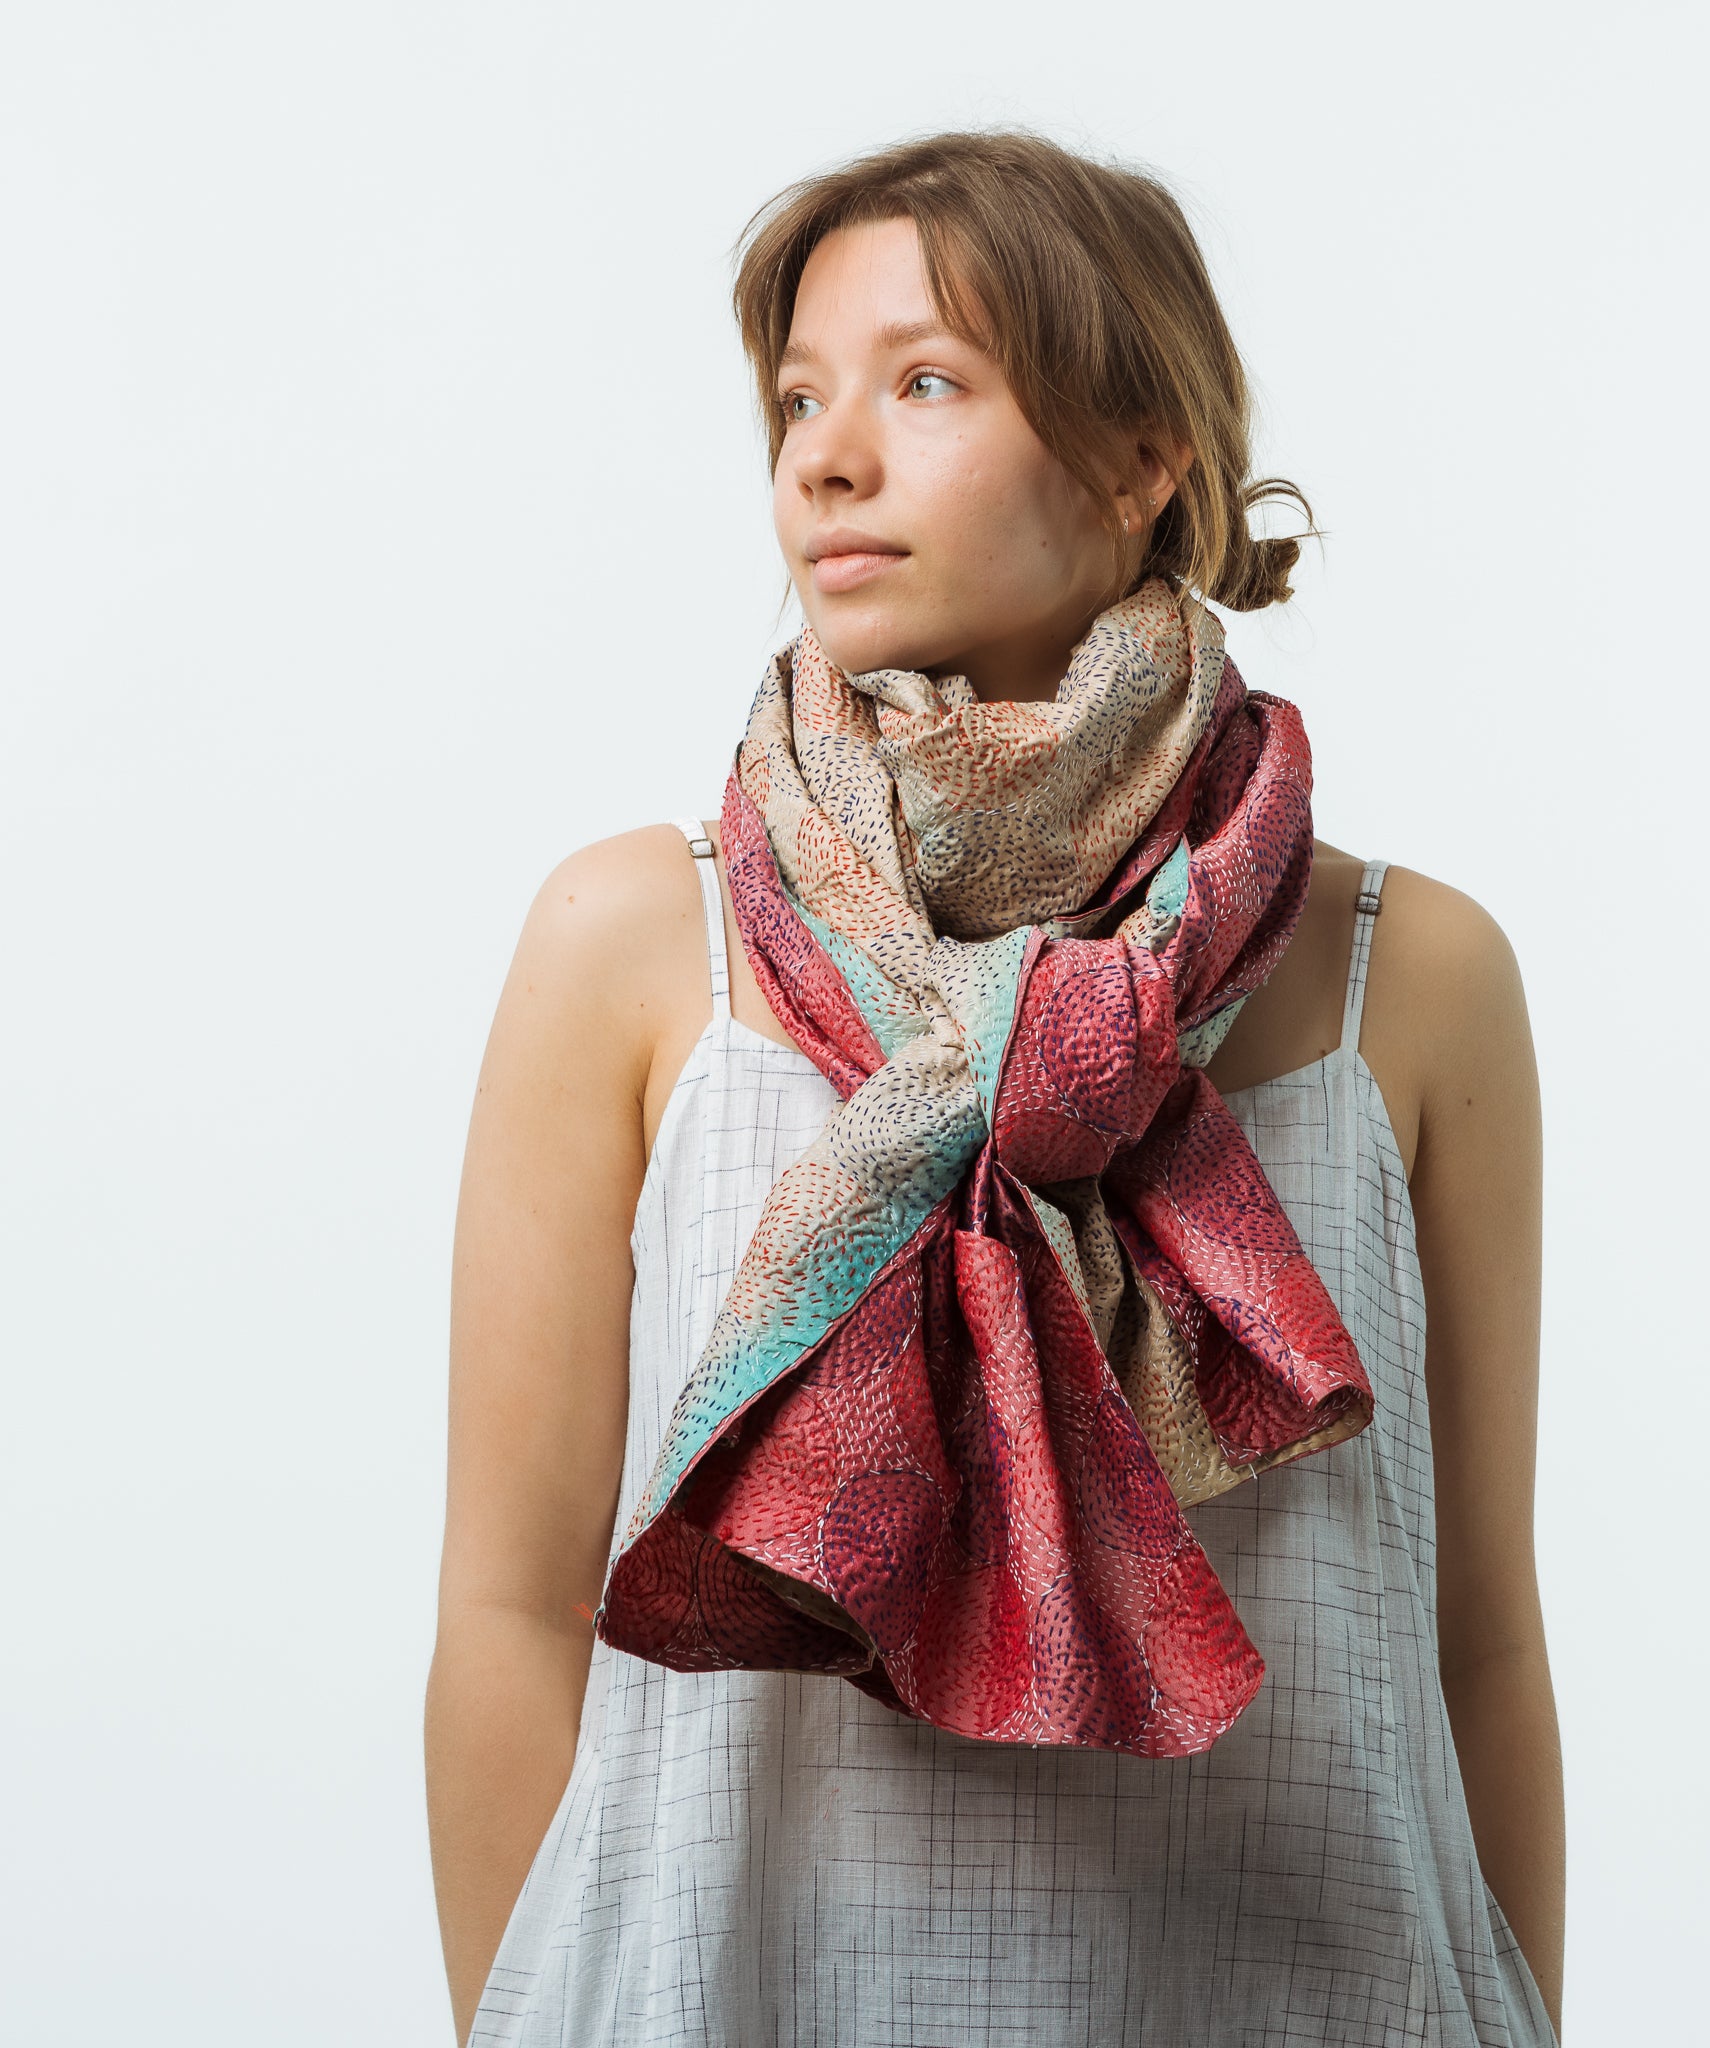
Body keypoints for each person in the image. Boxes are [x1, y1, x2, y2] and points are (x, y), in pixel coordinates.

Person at [426, 130, 1564, 2048]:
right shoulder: (639, 949)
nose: (825, 452)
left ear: (1145, 458)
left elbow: (1481, 1641)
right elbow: (510, 1617)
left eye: (925, 381)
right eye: (800, 394)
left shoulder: (1409, 979)